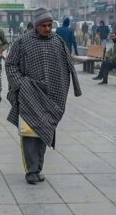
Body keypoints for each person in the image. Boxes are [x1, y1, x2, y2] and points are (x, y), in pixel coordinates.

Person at [6, 9, 82, 184]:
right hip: (29, 95)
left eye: (49, 25)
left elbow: (68, 66)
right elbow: (10, 64)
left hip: (51, 96)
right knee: (30, 133)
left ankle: (38, 168)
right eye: (43, 26)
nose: (47, 29)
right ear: (36, 26)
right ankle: (31, 171)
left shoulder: (58, 42)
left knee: (45, 132)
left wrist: (67, 90)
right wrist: (21, 84)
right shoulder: (23, 42)